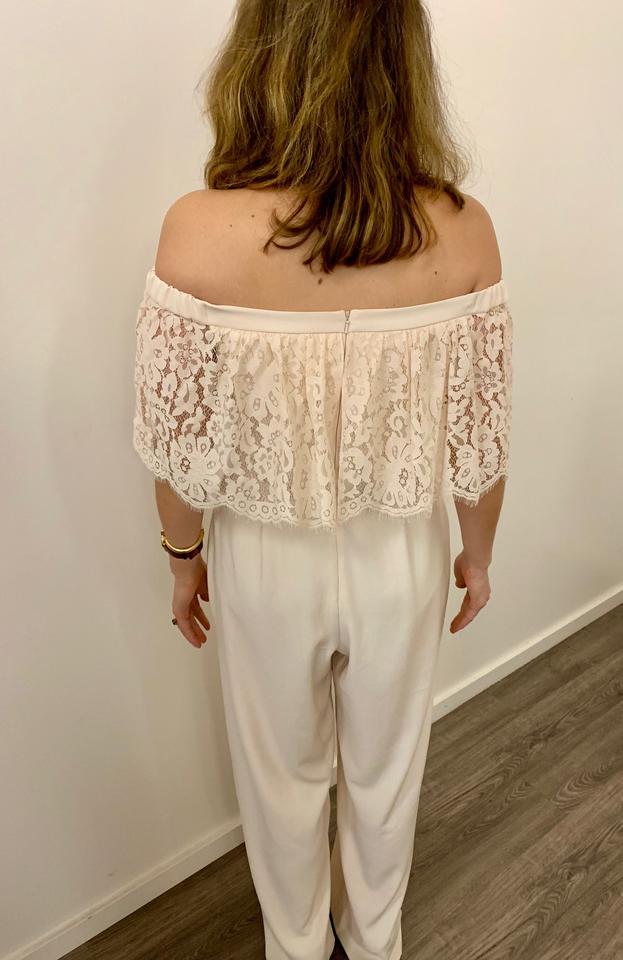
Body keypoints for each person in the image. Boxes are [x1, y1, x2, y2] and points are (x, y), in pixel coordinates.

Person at [131, 2, 514, 958]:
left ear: (261, 54)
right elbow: (481, 439)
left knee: (280, 779)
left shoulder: (196, 230)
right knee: (388, 773)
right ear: (401, 61)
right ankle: (373, 940)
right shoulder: (463, 231)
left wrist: (183, 559)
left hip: (265, 555)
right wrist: (475, 557)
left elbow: (178, 449)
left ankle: (296, 946)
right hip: (402, 552)